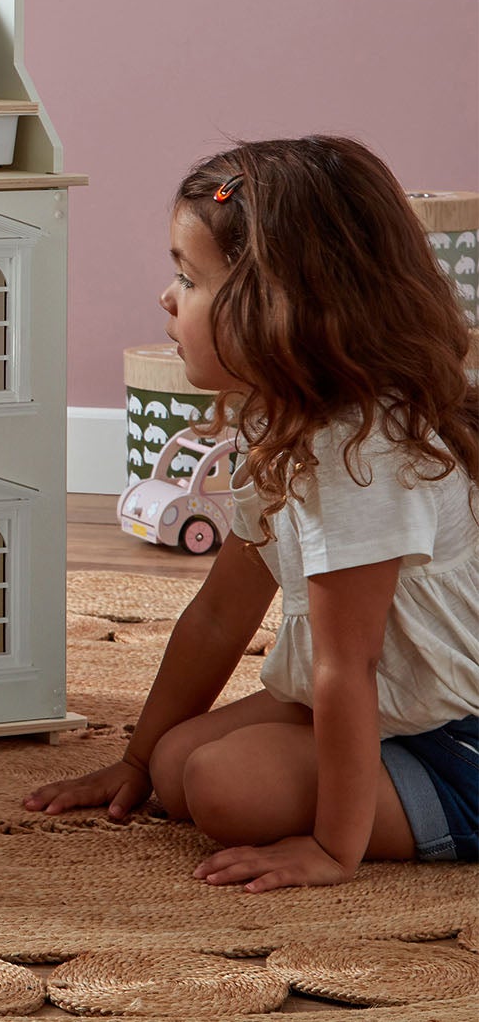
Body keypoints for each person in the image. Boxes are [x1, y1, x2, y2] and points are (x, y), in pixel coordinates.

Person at [26, 135, 479, 891]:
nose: (167, 298)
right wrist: (135, 758)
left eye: (189, 278)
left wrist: (335, 849)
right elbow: (217, 616)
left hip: (452, 734)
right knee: (174, 765)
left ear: (278, 309)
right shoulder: (281, 425)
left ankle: (414, 811)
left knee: (224, 787)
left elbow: (349, 667)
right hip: (386, 703)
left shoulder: (359, 459)